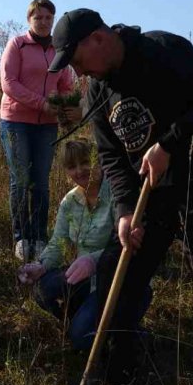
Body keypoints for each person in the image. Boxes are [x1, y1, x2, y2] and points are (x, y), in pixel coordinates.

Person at [47, 8, 193, 385]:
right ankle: (122, 379)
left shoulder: (161, 49)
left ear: (98, 40)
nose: (80, 72)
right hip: (149, 196)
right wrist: (123, 211)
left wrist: (170, 143)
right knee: (117, 274)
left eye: (78, 60)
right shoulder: (98, 91)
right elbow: (111, 159)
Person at [18, 139, 119, 350]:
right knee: (41, 289)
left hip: (114, 280)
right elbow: (58, 242)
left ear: (98, 162)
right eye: (72, 166)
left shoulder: (117, 194)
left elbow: (123, 246)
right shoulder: (69, 202)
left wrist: (93, 260)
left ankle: (123, 333)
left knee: (81, 337)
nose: (80, 171)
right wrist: (41, 265)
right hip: (83, 278)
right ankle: (84, 320)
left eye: (85, 162)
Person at [0, 0, 77, 262]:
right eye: (38, 18)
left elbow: (66, 84)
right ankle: (21, 238)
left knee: (41, 183)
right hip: (16, 121)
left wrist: (65, 105)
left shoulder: (59, 48)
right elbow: (9, 83)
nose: (43, 23)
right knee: (20, 180)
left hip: (47, 125)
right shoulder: (17, 44)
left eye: (48, 18)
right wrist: (41, 104)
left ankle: (39, 238)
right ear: (29, 19)